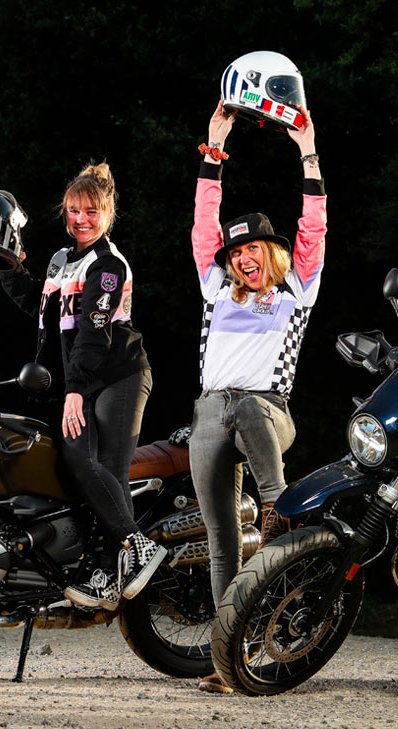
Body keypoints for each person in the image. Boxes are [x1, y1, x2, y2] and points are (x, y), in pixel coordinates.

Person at [190, 100, 326, 693]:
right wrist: (214, 150)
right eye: (235, 251)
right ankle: (231, 660)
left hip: (269, 411)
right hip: (209, 413)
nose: (242, 258)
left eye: (252, 250)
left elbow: (314, 225)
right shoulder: (217, 288)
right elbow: (202, 225)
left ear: (270, 254)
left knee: (248, 406)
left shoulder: (295, 288)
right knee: (220, 540)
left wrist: (307, 149)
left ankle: (278, 507)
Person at [0, 163, 168, 611]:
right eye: (74, 210)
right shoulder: (60, 259)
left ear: (108, 213)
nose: (81, 219)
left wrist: (74, 389)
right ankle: (108, 572)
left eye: (91, 211)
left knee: (99, 465)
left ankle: (136, 548)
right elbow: (38, 306)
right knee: (82, 467)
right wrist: (5, 265)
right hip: (82, 379)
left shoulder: (108, 265)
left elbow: (94, 332)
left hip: (118, 375)